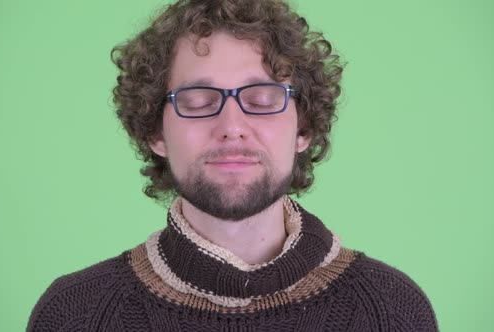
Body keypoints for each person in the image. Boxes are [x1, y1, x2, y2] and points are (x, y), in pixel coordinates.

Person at [27, 0, 438, 331]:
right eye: (199, 101)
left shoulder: (392, 311)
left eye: (261, 99)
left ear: (304, 127)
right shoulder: (74, 316)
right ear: (156, 133)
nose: (232, 128)